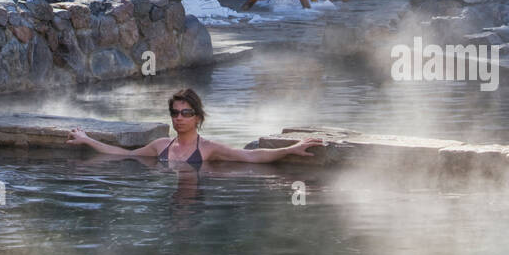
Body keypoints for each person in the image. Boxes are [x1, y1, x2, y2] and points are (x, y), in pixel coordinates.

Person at [67, 88, 324, 167]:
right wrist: (87, 139)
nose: (179, 118)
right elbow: (122, 153)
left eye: (186, 113)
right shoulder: (160, 146)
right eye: (175, 113)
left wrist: (293, 148)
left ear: (197, 118)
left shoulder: (208, 149)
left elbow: (251, 156)